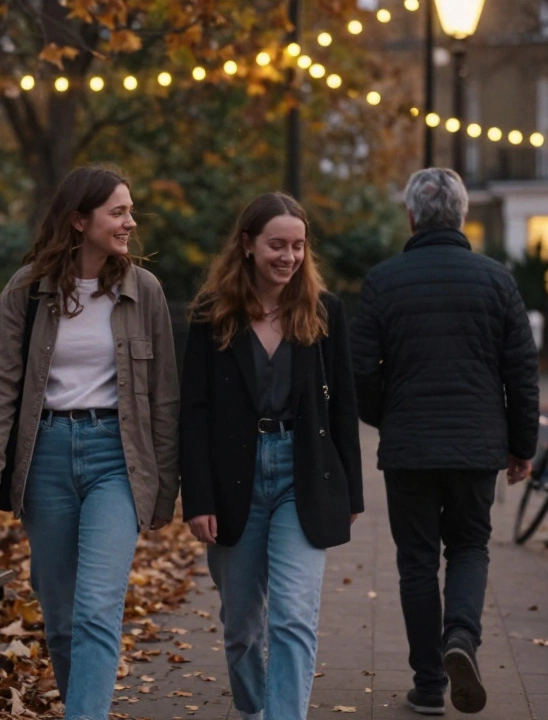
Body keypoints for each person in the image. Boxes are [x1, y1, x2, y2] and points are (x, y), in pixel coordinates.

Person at [0, 164, 180, 720]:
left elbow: (164, 399)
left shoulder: (144, 291)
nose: (130, 222)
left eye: (130, 211)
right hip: (47, 459)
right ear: (79, 220)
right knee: (60, 618)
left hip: (117, 457)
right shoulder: (27, 289)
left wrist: (163, 488)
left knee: (97, 609)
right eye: (119, 211)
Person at [351, 168, 539, 716]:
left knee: (414, 561)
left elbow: (360, 370)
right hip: (477, 444)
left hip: (409, 445)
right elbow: (521, 371)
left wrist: (387, 418)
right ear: (462, 217)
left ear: (410, 217)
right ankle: (461, 639)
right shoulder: (497, 280)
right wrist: (521, 446)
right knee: (468, 548)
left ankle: (429, 684)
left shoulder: (383, 280)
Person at [180, 192, 363, 720]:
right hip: (233, 478)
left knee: (293, 619)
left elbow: (344, 405)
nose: (288, 257)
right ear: (247, 245)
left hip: (300, 475)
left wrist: (349, 489)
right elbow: (192, 412)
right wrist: (198, 498)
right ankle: (253, 708)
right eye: (277, 245)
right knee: (242, 627)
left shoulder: (324, 312)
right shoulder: (212, 315)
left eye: (298, 246)